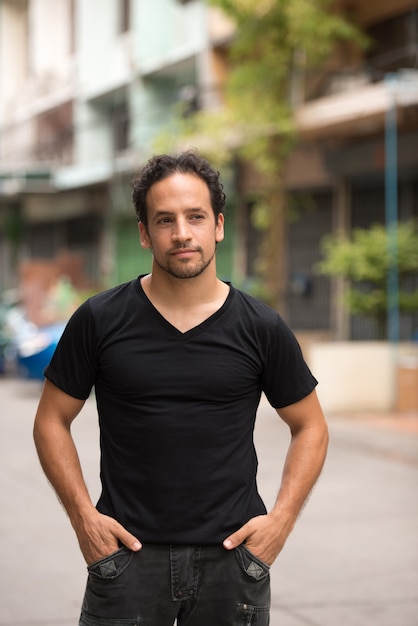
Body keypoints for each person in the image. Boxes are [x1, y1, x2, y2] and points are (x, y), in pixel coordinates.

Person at [33, 151, 328, 626]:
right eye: (165, 220)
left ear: (218, 225)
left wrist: (282, 520)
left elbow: (310, 425)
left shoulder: (261, 327)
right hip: (126, 558)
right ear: (145, 233)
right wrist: (84, 517)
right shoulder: (100, 319)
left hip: (234, 562)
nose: (182, 233)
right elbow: (51, 419)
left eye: (195, 216)